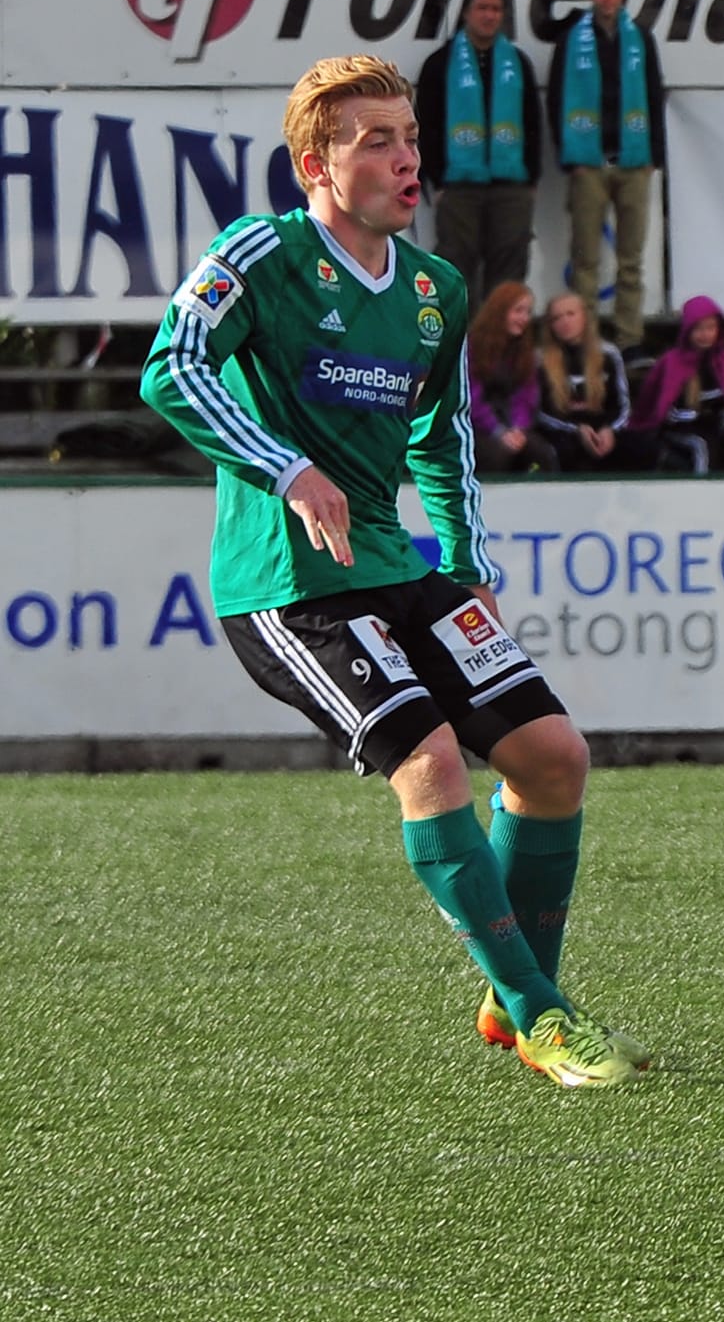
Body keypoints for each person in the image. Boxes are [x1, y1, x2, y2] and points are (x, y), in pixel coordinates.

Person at [136, 55, 649, 1088]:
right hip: (289, 583)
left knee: (553, 757)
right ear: (314, 166)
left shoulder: (434, 289)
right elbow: (171, 368)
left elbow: (442, 434)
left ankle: (513, 996)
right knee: (433, 763)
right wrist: (289, 470)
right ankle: (542, 1013)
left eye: (409, 137)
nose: (408, 158)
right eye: (376, 141)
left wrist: (465, 562)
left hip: (395, 562)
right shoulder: (260, 253)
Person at [550, 0, 667, 342]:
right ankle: (584, 343)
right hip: (589, 164)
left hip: (633, 162)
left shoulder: (640, 38)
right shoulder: (571, 40)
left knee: (631, 262)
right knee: (585, 260)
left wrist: (654, 157)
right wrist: (569, 158)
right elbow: (555, 98)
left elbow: (654, 95)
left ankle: (628, 339)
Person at [415, 0, 545, 311]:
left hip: (511, 185)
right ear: (466, 13)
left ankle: (500, 338)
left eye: (496, 9)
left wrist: (531, 178)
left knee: (510, 267)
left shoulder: (517, 63)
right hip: (458, 186)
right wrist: (437, 179)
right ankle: (462, 339)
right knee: (456, 266)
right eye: (482, 8)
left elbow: (533, 123)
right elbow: (425, 124)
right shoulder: (440, 63)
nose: (489, 16)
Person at [635, 295, 724, 475]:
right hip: (681, 430)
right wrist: (702, 417)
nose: (705, 335)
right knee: (702, 446)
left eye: (711, 328)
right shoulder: (671, 362)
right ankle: (702, 490)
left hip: (722, 428)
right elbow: (657, 409)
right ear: (687, 329)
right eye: (698, 328)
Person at [534, 290, 639, 472]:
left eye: (571, 314)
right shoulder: (539, 359)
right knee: (566, 451)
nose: (565, 322)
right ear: (550, 326)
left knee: (640, 446)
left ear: (584, 317)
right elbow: (540, 412)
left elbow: (623, 405)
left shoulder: (609, 353)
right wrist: (577, 430)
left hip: (604, 427)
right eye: (557, 318)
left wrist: (610, 430)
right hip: (564, 431)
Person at [466, 280, 555, 474]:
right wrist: (498, 431)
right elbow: (472, 399)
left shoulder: (524, 351)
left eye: (528, 312)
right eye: (518, 311)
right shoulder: (472, 347)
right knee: (497, 455)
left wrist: (518, 429)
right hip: (477, 426)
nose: (524, 318)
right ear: (500, 311)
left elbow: (527, 397)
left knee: (543, 454)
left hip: (511, 424)